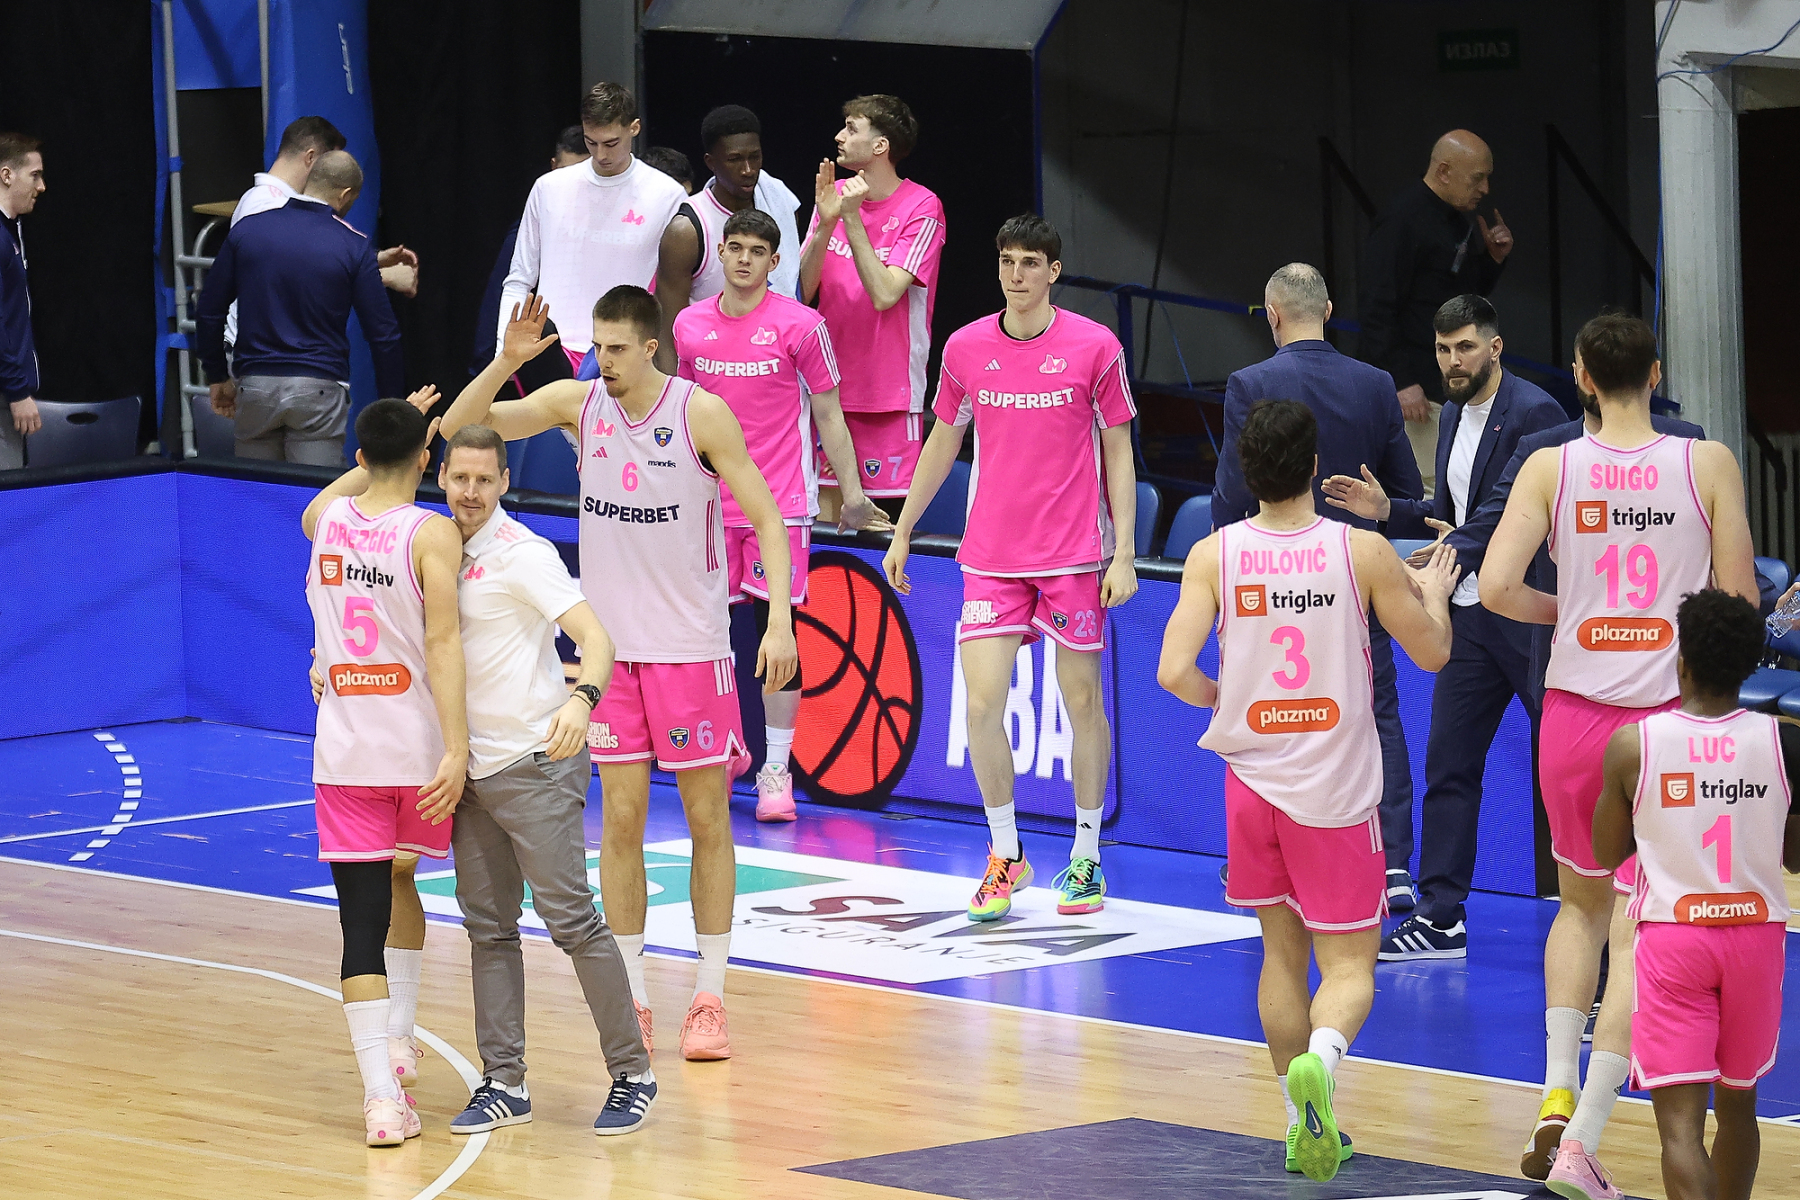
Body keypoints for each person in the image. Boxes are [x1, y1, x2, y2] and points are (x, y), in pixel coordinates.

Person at [440, 287, 798, 1062]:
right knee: (622, 822)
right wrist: (505, 360)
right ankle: (633, 994)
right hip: (612, 657)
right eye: (596, 346)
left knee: (708, 820)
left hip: (692, 650)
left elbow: (768, 518)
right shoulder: (579, 405)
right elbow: (459, 428)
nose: (601, 361)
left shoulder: (701, 415)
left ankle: (709, 996)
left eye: (615, 349)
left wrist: (778, 620)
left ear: (650, 347)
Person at [1481, 312, 1757, 1191]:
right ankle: (1583, 1142)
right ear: (1657, 373)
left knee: (1579, 910)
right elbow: (1740, 603)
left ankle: (1555, 1093)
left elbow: (1494, 587)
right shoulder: (1707, 463)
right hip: (1666, 722)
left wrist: (1569, 611)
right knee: (1642, 932)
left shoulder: (1550, 465)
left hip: (1573, 716)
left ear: (1581, 378)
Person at [1157, 398, 1457, 1183]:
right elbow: (1431, 655)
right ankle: (1320, 1064)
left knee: (1280, 961)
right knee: (1350, 967)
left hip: (1252, 785)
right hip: (1335, 790)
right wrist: (1434, 593)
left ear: (1244, 471)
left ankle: (1301, 1128)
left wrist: (1225, 701)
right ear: (1316, 469)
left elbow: (1172, 671)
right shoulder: (1361, 552)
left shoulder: (1213, 555)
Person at [884, 214, 1137, 920]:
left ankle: (1085, 856)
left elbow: (1119, 449)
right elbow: (943, 440)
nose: (1016, 274)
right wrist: (903, 530)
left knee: (1082, 703)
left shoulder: (1096, 346)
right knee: (981, 705)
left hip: (1074, 555)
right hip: (991, 557)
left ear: (1053, 271)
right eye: (1006, 261)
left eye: (1030, 262)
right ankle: (1007, 855)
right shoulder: (966, 347)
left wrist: (1123, 552)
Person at [1320, 295, 1564, 958]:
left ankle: (1596, 911)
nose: (1452, 361)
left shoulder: (1536, 412)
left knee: (1563, 769)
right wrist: (1388, 510)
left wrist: (1446, 547)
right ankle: (1441, 916)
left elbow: (1507, 514)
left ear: (1495, 347)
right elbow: (1451, 513)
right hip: (1468, 617)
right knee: (1449, 764)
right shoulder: (1452, 413)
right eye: (1442, 349)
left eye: (1464, 347)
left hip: (1528, 616)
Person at [1211, 263, 1425, 910]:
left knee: (1273, 714)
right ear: (1329, 310)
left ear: (1273, 315)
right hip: (1356, 574)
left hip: (1270, 579)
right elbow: (1405, 497)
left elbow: (1231, 494)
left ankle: (1276, 859)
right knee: (1376, 714)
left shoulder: (1250, 382)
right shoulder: (1376, 383)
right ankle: (1393, 866)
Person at [674, 208, 886, 822]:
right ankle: (724, 748)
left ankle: (775, 769)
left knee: (777, 638)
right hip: (708, 508)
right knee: (709, 638)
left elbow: (828, 413)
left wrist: (851, 494)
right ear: (720, 252)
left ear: (774, 261)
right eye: (735, 247)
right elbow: (682, 415)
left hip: (782, 507)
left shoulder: (802, 326)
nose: (744, 259)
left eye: (757, 251)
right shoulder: (689, 326)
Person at [1592, 589, 1800, 1200]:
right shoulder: (1786, 742)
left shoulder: (1634, 744)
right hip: (1755, 938)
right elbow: (1796, 857)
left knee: (1680, 1128)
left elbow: (1606, 853)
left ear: (1681, 661)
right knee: (1739, 1110)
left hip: (1674, 940)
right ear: (1750, 666)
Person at [300, 397, 467, 1146]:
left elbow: (329, 497)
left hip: (346, 757)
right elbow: (444, 645)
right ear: (428, 460)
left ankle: (381, 1100)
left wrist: (381, 445)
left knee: (360, 926)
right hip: (418, 751)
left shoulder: (326, 521)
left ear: (360, 458)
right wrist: (457, 749)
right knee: (409, 879)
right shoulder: (433, 534)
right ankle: (400, 1039)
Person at [196, 151, 404, 464]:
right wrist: (393, 407)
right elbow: (383, 335)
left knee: (259, 488)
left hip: (255, 385)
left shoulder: (248, 230)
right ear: (345, 195)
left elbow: (209, 310)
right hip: (318, 389)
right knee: (313, 490)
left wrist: (216, 374)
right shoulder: (354, 245)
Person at [798, 94, 945, 518]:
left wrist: (851, 218)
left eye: (851, 129)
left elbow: (885, 294)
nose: (838, 137)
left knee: (880, 528)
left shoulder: (923, 207)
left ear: (880, 146)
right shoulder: (835, 197)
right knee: (825, 525)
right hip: (827, 391)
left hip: (888, 396)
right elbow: (803, 291)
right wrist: (826, 223)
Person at [1358, 130, 1515, 498]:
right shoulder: (1401, 221)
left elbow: (1462, 298)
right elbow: (1376, 306)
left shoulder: (1458, 220)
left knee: (1456, 486)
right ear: (1444, 171)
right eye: (1477, 178)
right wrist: (1400, 380)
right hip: (1416, 388)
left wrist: (1492, 260)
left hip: (1451, 382)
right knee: (1425, 489)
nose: (1485, 189)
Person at [499, 83, 689, 375]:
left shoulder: (667, 195)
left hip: (624, 352)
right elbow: (519, 279)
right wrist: (503, 354)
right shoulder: (549, 188)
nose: (601, 154)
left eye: (611, 143)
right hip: (548, 349)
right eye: (591, 142)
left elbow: (676, 290)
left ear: (634, 128)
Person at [229, 117, 418, 318]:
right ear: (310, 158)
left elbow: (314, 258)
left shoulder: (274, 202)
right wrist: (384, 277)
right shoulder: (268, 206)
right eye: (327, 164)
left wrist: (374, 259)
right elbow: (298, 275)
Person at [470, 127, 591, 386]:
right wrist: (494, 364)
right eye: (565, 174)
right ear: (553, 167)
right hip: (541, 360)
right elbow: (507, 289)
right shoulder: (531, 228)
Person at [659, 107, 804, 309]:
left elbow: (795, 281)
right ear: (711, 162)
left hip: (781, 327)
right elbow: (670, 320)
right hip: (714, 330)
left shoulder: (781, 201)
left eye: (754, 157)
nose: (748, 170)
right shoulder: (687, 231)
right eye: (734, 159)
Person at [0, 132, 45, 469]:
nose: (41, 186)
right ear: (6, 175)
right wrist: (17, 390)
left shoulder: (10, 232)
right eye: (35, 175)